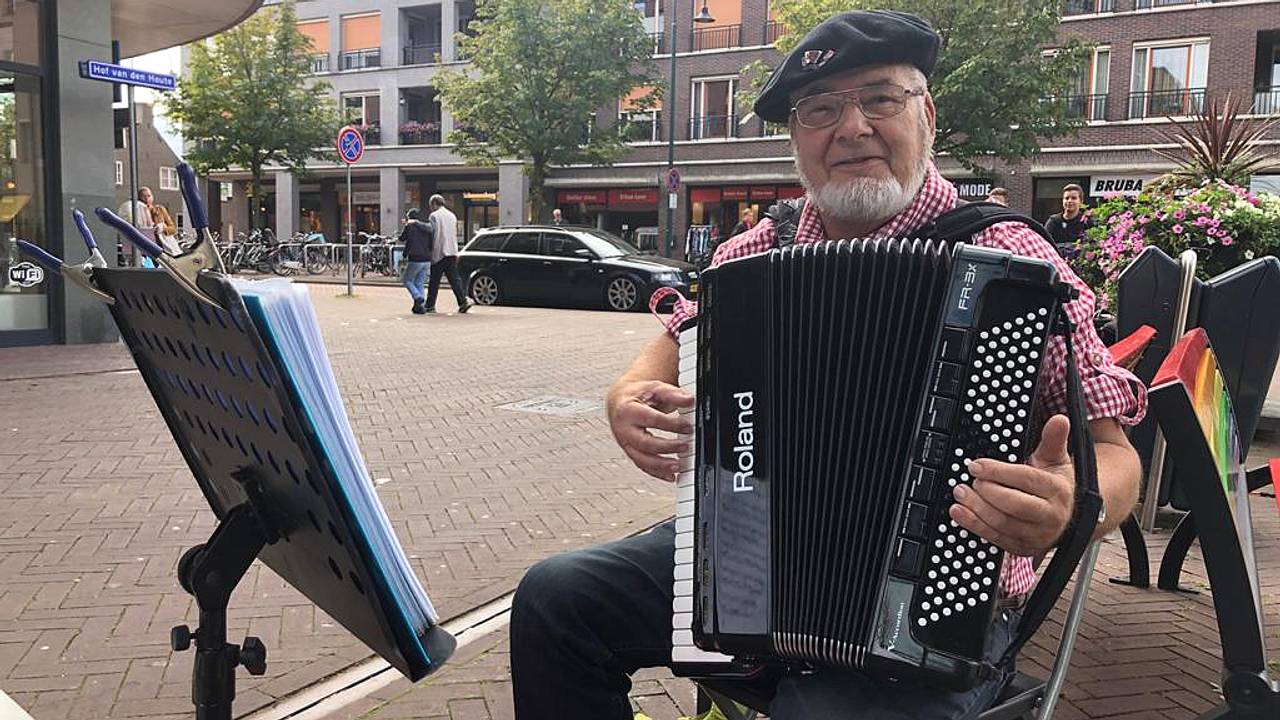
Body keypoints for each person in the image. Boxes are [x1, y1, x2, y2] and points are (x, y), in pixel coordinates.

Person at [510, 11, 1146, 720]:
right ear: (796, 139)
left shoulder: (1013, 263)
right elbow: (680, 337)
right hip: (747, 560)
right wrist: (626, 393)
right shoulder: (754, 255)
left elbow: (1119, 457)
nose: (851, 128)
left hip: (941, 604)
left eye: (880, 98)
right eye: (820, 109)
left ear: (925, 114)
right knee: (556, 600)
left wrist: (1068, 511)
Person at [424, 194, 472, 314]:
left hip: (439, 251)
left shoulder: (434, 216)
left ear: (434, 204)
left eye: (431, 205)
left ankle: (430, 305)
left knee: (434, 281)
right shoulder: (452, 215)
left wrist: (429, 250)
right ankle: (462, 301)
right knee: (454, 279)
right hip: (451, 251)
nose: (431, 208)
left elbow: (432, 233)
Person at [400, 208, 433, 314]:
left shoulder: (410, 226)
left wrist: (405, 254)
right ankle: (420, 307)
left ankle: (417, 297)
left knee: (407, 280)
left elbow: (404, 239)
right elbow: (431, 243)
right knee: (419, 283)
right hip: (427, 259)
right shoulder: (427, 227)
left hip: (415, 258)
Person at [1045, 184, 1091, 260]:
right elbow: (1045, 244)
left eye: (1073, 198)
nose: (1069, 201)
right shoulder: (1053, 221)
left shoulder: (1087, 222)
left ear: (1081, 201)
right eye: (1066, 198)